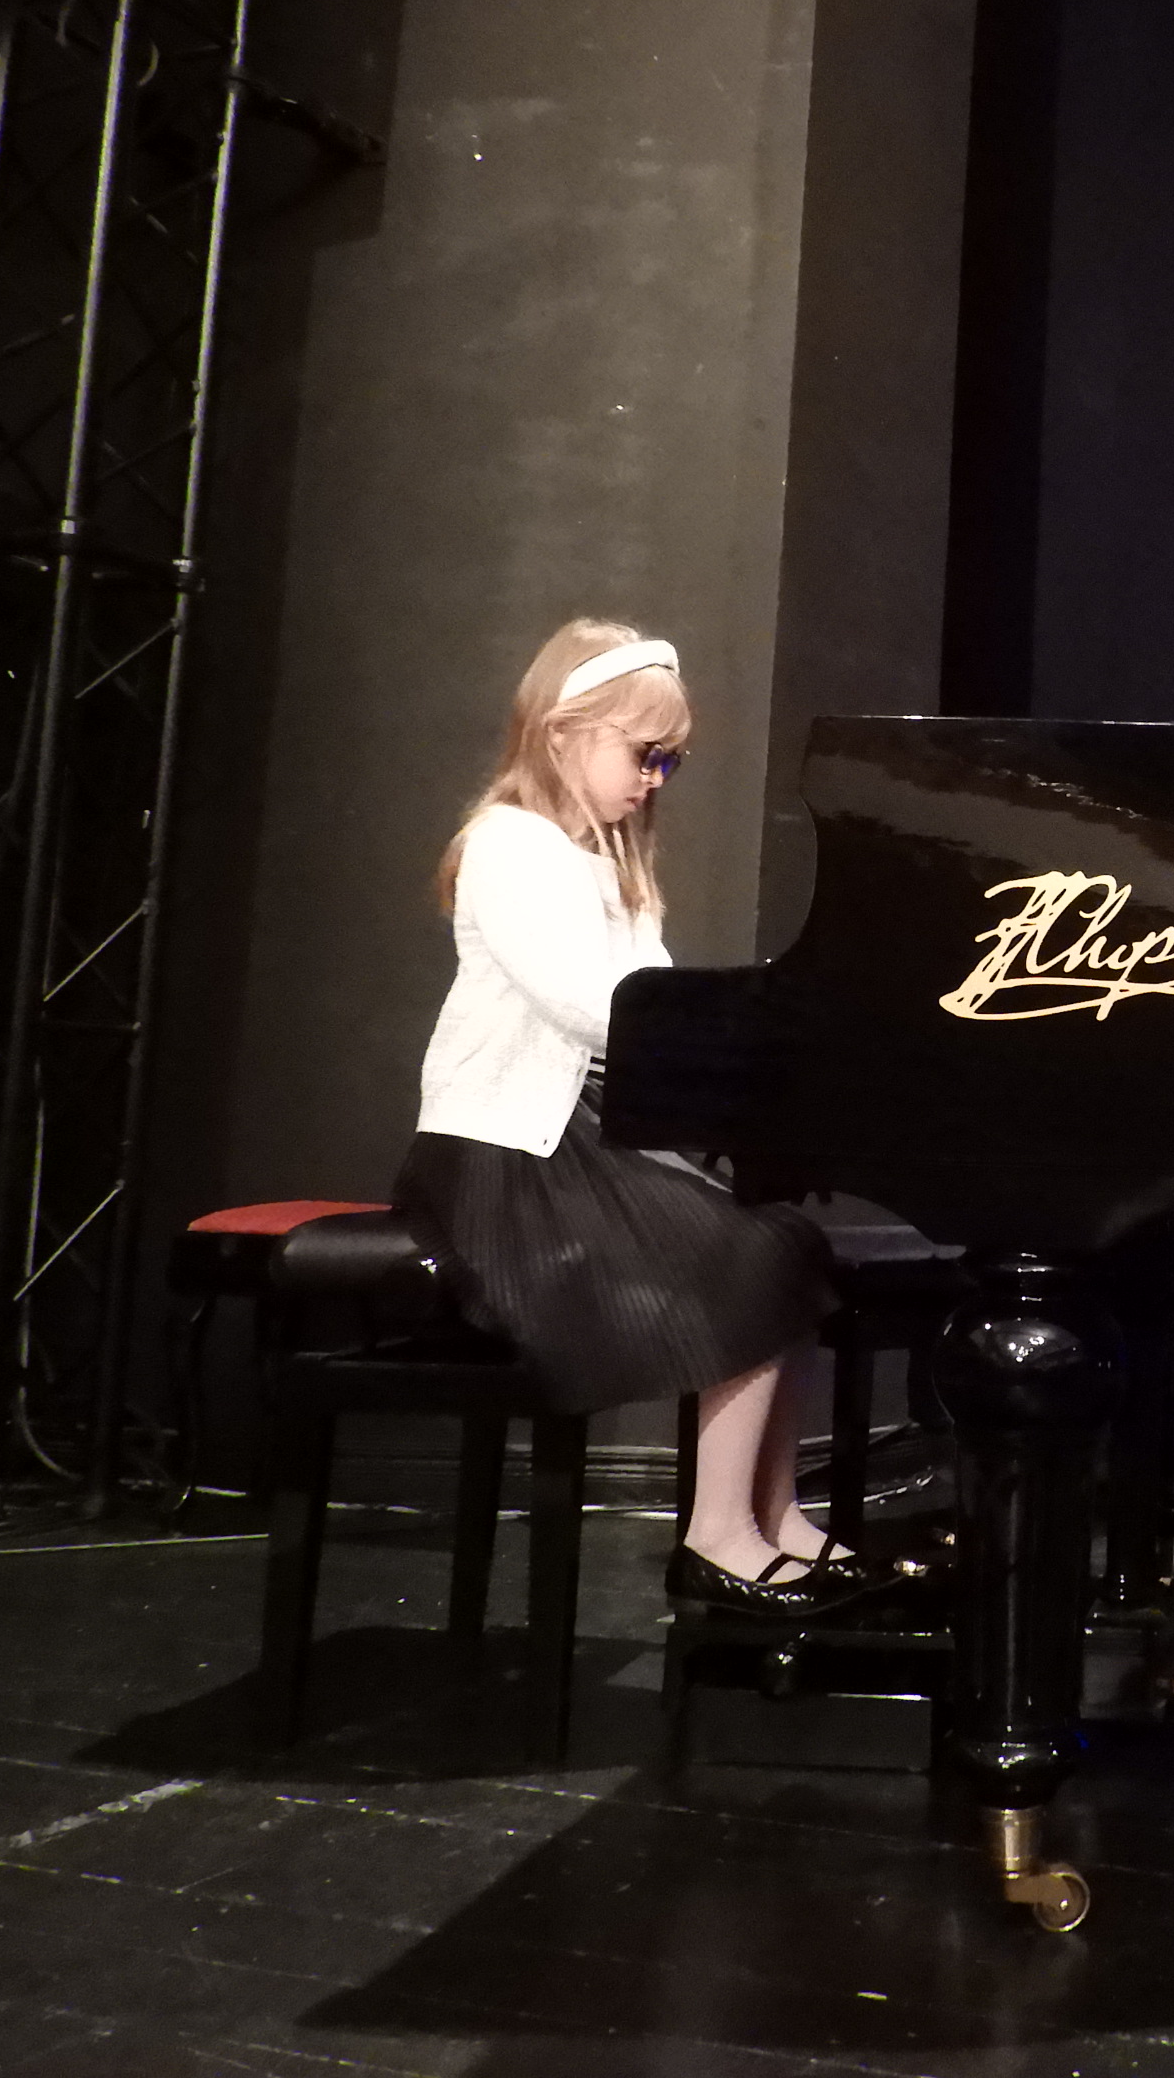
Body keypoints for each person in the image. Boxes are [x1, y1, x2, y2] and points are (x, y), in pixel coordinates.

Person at [393, 618, 865, 1618]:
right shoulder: (510, 846)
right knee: (751, 1257)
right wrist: (732, 1040)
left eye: (670, 762)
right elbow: (594, 1007)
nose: (655, 780)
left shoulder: (608, 860)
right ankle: (716, 1536)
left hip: (575, 1142)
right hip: (502, 1157)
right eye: (644, 754)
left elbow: (646, 1008)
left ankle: (775, 1515)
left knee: (786, 1244)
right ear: (563, 732)